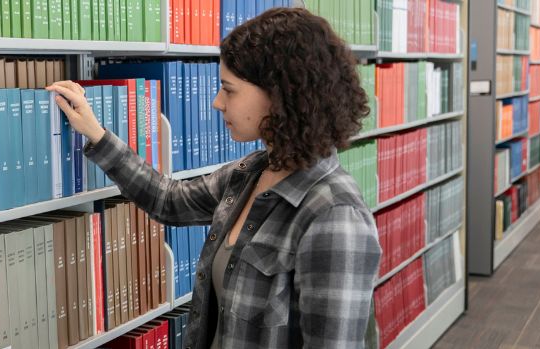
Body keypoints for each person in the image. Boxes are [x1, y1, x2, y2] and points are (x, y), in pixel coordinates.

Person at [46, 7, 381, 349]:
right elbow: (169, 200)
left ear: (280, 95)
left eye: (229, 89)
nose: (217, 103)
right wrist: (96, 133)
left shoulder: (334, 215)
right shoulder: (253, 172)